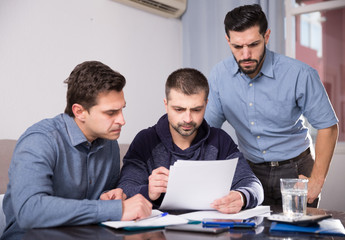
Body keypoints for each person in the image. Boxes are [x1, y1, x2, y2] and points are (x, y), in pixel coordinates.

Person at [204, 4, 339, 207]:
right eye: (237, 47)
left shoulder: (300, 74)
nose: (246, 54)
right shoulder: (218, 76)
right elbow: (207, 130)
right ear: (228, 41)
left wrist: (317, 181)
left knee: (300, 234)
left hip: (296, 169)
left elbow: (328, 126)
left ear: (266, 37)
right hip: (250, 171)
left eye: (253, 44)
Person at [1, 61, 152, 240]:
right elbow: (29, 210)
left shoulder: (109, 144)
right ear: (79, 111)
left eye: (121, 110)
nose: (122, 120)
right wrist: (114, 209)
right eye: (111, 113)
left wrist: (111, 197)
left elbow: (103, 207)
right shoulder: (39, 140)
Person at [109, 68, 263, 213]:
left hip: (210, 231)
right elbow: (125, 188)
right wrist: (148, 191)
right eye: (179, 109)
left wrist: (242, 196)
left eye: (196, 110)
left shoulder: (220, 140)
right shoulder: (146, 140)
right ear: (166, 105)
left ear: (206, 105)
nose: (188, 119)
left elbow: (252, 184)